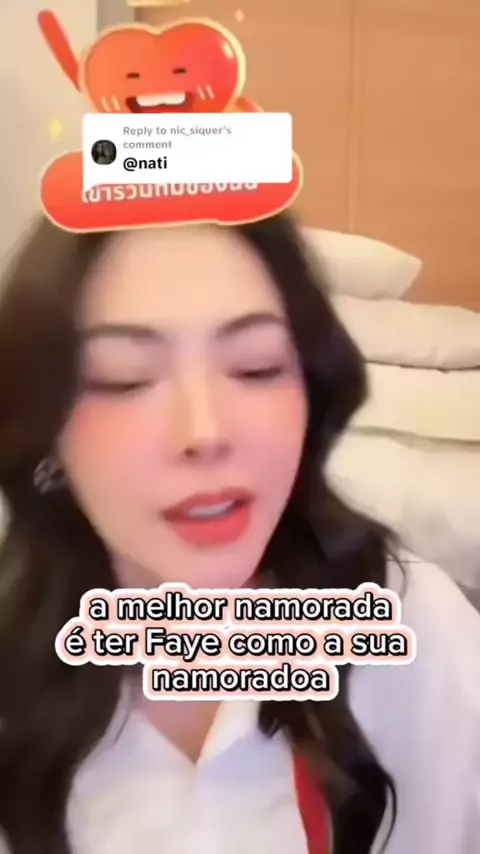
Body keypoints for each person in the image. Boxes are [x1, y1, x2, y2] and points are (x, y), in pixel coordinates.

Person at [0, 214, 477, 854]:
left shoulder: (417, 628)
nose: (205, 431)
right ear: (46, 430)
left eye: (256, 367)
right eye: (125, 377)